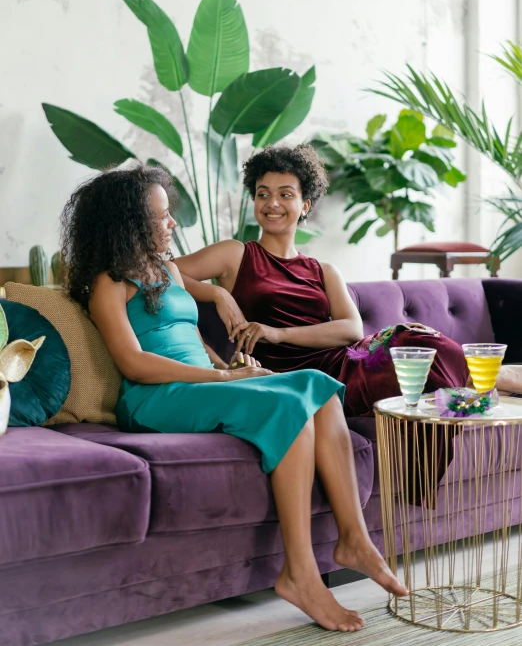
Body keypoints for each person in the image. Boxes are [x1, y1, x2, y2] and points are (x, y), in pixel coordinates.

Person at [60, 164, 407, 635]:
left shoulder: (164, 270)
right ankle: (300, 573)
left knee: (319, 389)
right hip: (154, 396)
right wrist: (220, 378)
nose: (171, 225)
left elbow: (188, 333)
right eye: (162, 217)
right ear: (130, 222)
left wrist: (225, 353)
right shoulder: (109, 282)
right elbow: (134, 363)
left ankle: (354, 540)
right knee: (288, 404)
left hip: (201, 380)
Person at [176, 145, 473, 418]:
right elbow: (160, 270)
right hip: (294, 378)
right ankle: (486, 382)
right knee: (413, 368)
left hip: (345, 366)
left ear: (305, 205)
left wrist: (277, 333)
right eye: (263, 194)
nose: (272, 203)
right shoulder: (235, 254)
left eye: (286, 194)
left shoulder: (323, 270)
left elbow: (351, 329)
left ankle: (488, 379)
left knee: (419, 343)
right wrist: (217, 293)